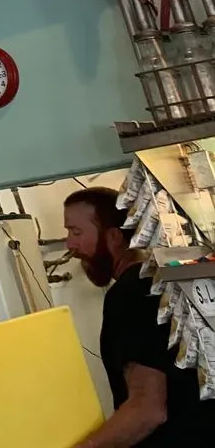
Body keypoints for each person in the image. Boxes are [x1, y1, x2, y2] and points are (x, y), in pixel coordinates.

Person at [63, 187, 211, 448]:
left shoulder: (130, 293)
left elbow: (148, 410)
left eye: (76, 233)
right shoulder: (169, 278)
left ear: (114, 237)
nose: (69, 245)